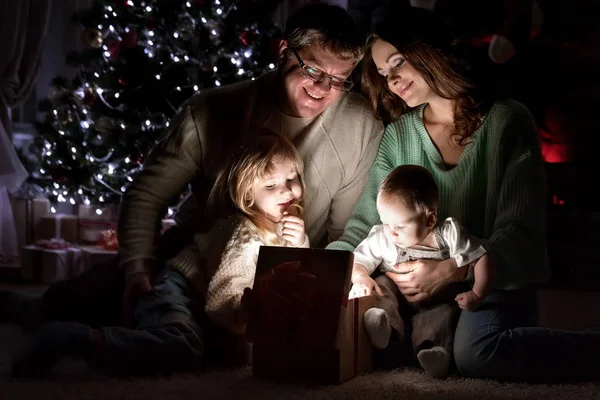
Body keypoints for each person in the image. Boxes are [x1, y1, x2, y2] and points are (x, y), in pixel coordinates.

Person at [1, 1, 383, 366]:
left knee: (203, 346)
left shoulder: (359, 124)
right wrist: (138, 268)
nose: (322, 88)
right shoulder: (212, 111)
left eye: (338, 80)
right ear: (284, 51)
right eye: (314, 71)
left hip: (265, 275)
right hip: (189, 262)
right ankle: (28, 308)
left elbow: (345, 229)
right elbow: (147, 193)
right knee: (81, 300)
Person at [328, 7, 600, 381]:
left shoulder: (507, 121)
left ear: (429, 50)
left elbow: (520, 233)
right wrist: (323, 272)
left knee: (476, 355)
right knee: (364, 337)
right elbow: (363, 225)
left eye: (398, 63)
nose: (392, 80)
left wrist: (450, 270)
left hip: (492, 286)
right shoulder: (399, 135)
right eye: (384, 74)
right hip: (419, 298)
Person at [11, 133, 310, 377]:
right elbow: (226, 291)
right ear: (248, 196)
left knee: (232, 352)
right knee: (183, 346)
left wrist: (299, 243)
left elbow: (288, 268)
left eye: (292, 178)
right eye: (271, 185)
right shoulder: (243, 234)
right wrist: (243, 314)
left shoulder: (281, 223)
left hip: (204, 303)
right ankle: (75, 339)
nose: (287, 191)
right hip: (175, 289)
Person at [349, 164, 491, 378]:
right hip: (399, 301)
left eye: (399, 226)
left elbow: (481, 256)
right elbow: (357, 260)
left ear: (430, 219)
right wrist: (360, 277)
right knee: (382, 285)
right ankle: (383, 325)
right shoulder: (383, 237)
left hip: (436, 300)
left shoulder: (449, 234)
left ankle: (434, 352)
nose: (391, 232)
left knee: (442, 313)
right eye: (385, 223)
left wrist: (478, 293)